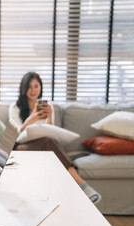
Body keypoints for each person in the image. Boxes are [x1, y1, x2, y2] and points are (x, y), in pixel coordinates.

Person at [11, 71, 101, 204]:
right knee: (48, 142)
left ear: (41, 87)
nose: (33, 90)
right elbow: (14, 134)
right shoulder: (16, 107)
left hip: (43, 145)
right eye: (29, 87)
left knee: (48, 141)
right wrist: (31, 119)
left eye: (36, 86)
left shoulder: (47, 106)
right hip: (20, 147)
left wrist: (48, 117)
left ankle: (73, 194)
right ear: (23, 88)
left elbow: (49, 130)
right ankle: (83, 186)